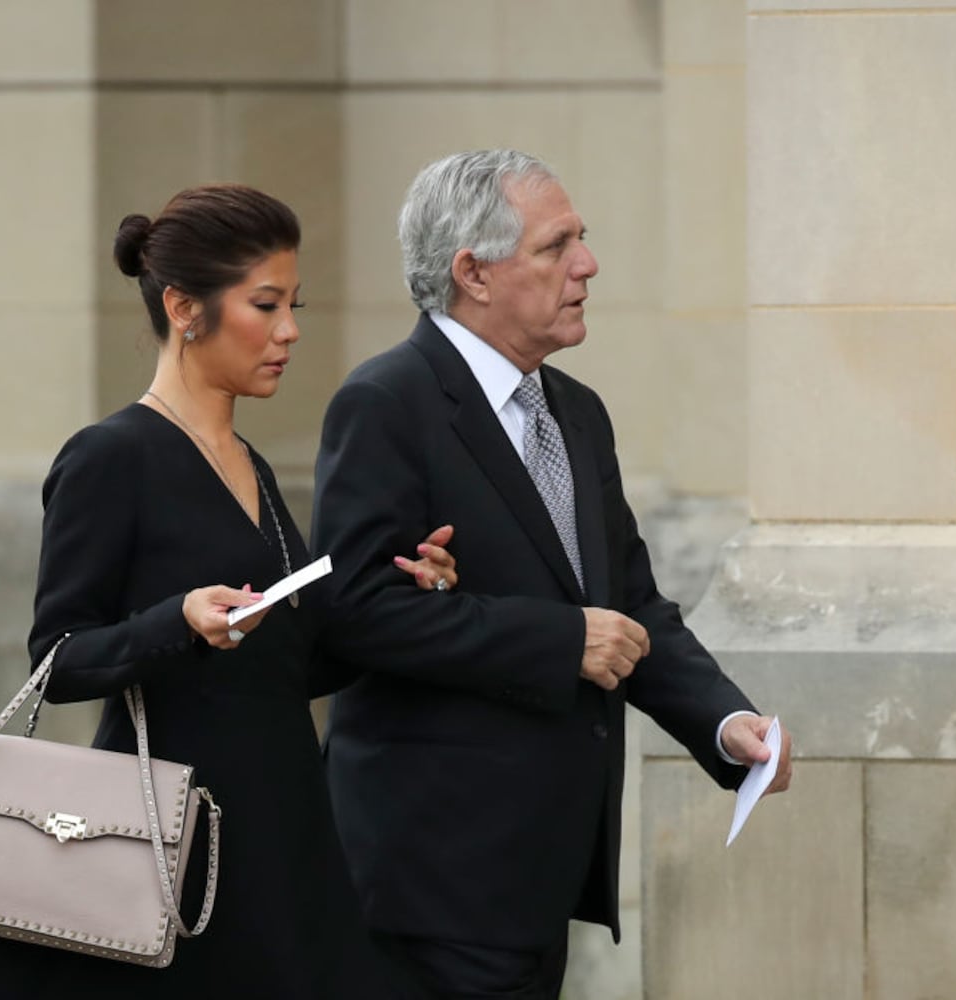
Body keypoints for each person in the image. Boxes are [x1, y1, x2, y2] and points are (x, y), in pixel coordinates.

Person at [311, 149, 794, 999]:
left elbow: (630, 604)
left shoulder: (574, 411)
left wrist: (726, 725)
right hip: (429, 879)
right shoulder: (386, 402)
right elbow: (351, 612)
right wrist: (559, 638)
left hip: (538, 877)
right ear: (473, 273)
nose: (587, 264)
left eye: (582, 239)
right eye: (554, 245)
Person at [0, 184, 453, 998]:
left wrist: (410, 592)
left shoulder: (252, 465)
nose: (290, 330)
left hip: (280, 833)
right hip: (166, 849)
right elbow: (58, 660)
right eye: (266, 305)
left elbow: (286, 666)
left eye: (294, 304)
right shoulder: (110, 456)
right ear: (185, 308)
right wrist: (177, 621)